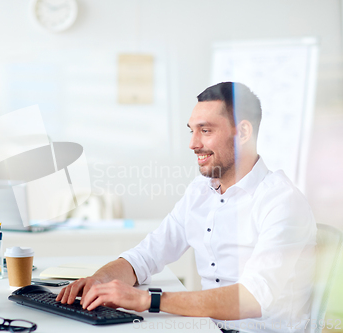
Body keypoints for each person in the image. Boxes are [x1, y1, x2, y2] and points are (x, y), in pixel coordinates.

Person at [56, 82, 316, 333]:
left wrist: (149, 300)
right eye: (191, 130)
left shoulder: (281, 201)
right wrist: (99, 281)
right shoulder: (200, 191)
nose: (193, 143)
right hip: (206, 327)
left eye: (205, 130)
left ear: (244, 133)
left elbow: (252, 298)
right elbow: (148, 254)